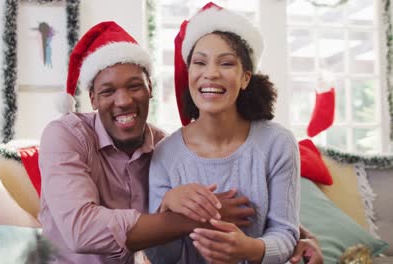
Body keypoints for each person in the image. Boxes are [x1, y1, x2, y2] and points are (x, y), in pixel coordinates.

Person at [38, 20, 323, 264]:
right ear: (92, 99)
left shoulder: (162, 145)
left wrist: (297, 237)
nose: (123, 101)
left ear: (150, 88)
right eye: (108, 91)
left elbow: (247, 200)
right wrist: (198, 214)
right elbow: (82, 230)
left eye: (134, 86)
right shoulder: (66, 135)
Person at [147, 2, 301, 263]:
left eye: (227, 64)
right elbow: (162, 257)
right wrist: (168, 206)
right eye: (200, 63)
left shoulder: (277, 144)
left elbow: (286, 232)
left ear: (245, 78)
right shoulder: (165, 154)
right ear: (189, 74)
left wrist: (250, 249)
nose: (211, 74)